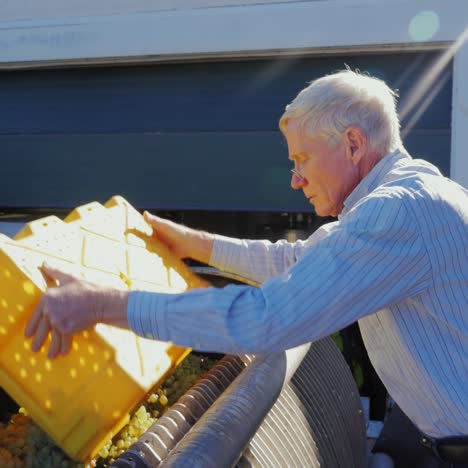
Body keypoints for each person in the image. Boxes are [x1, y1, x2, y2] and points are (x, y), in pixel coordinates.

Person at [25, 70, 468, 467]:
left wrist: (106, 305)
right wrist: (195, 244)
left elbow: (267, 319)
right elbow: (297, 261)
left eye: (302, 160)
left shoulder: (399, 212)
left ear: (353, 143)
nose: (295, 179)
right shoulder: (412, 199)